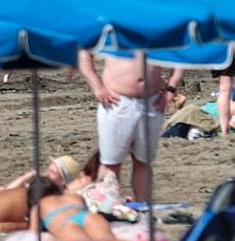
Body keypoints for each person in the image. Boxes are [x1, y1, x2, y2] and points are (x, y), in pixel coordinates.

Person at [77, 47, 180, 202]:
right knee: (111, 163)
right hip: (116, 101)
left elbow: (180, 52)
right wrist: (96, 86)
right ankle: (110, 207)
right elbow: (84, 53)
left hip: (152, 101)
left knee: (143, 162)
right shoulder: (111, 26)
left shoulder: (157, 25)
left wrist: (171, 87)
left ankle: (144, 207)